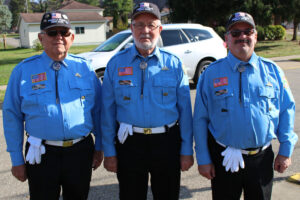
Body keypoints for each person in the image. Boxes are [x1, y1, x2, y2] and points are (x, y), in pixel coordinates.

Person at [193, 12, 298, 200]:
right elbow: (200, 119)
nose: (242, 37)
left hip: (261, 160)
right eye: (235, 33)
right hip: (224, 158)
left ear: (255, 36)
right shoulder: (211, 74)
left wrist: (285, 150)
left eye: (247, 31)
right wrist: (203, 159)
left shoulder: (272, 71)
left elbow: (286, 109)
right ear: (226, 39)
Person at [2, 11, 103, 200]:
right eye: (52, 32)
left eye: (64, 32)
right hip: (41, 153)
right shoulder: (23, 71)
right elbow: (11, 116)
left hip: (80, 152)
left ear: (71, 37)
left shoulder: (85, 68)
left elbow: (98, 110)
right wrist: (16, 159)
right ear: (41, 38)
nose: (59, 37)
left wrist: (101, 146)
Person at [101, 2, 194, 199]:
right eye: (139, 24)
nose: (145, 30)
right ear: (131, 28)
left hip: (167, 142)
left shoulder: (174, 63)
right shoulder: (115, 64)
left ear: (159, 29)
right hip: (129, 143)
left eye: (151, 25)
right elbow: (107, 111)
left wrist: (186, 150)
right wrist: (109, 150)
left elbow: (185, 111)